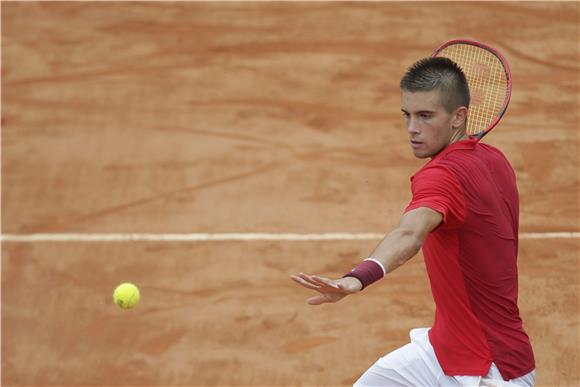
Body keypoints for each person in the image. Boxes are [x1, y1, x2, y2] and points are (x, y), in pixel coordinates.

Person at [290, 57, 536, 386]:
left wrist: (356, 279)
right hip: (443, 350)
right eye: (407, 115)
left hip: (490, 369)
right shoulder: (495, 160)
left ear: (458, 117)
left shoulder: (441, 176)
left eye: (425, 116)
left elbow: (410, 232)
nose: (412, 129)